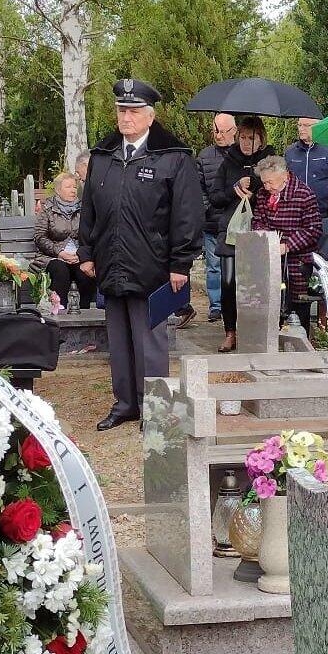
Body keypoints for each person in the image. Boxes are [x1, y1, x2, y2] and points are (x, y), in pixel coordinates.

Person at [78, 79, 203, 431]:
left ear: (150, 116)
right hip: (111, 261)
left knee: (150, 343)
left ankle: (156, 410)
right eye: (121, 110)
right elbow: (89, 209)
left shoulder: (173, 156)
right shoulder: (103, 156)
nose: (126, 117)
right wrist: (87, 252)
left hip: (154, 265)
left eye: (133, 111)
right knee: (118, 341)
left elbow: (187, 214)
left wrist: (181, 263)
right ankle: (126, 404)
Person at [209, 116, 274, 352]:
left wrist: (255, 186)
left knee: (256, 284)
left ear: (261, 140)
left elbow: (277, 190)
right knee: (228, 282)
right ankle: (230, 331)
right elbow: (215, 197)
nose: (246, 143)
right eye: (243, 137)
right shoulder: (229, 161)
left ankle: (254, 332)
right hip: (232, 229)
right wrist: (234, 189)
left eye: (251, 138)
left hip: (259, 228)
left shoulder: (269, 160)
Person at [250, 155, 323, 337]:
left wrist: (287, 246)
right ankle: (272, 341)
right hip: (271, 255)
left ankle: (300, 342)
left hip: (298, 260)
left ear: (284, 176)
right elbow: (257, 220)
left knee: (297, 306)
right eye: (264, 182)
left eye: (270, 182)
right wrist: (266, 237)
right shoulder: (262, 194)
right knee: (271, 302)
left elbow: (313, 229)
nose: (267, 187)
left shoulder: (304, 194)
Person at [285, 117, 328, 258]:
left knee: (324, 261)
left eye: (307, 125)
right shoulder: (290, 152)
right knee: (298, 261)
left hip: (325, 217)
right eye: (299, 125)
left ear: (319, 126)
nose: (301, 129)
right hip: (297, 219)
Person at [32, 172, 96, 308]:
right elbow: (40, 237)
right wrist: (60, 253)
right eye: (68, 187)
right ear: (58, 190)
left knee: (85, 271)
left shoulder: (84, 209)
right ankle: (59, 310)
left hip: (78, 256)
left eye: (74, 187)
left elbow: (91, 234)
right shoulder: (47, 209)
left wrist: (82, 255)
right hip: (52, 256)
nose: (73, 190)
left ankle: (85, 312)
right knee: (61, 271)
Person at [195, 113, 236, 322]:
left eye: (223, 131)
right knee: (214, 266)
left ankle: (235, 304)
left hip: (236, 222)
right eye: (215, 131)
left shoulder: (241, 156)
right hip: (212, 221)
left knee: (238, 267)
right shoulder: (204, 156)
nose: (219, 135)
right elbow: (198, 186)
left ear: (234, 131)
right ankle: (216, 306)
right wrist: (208, 207)